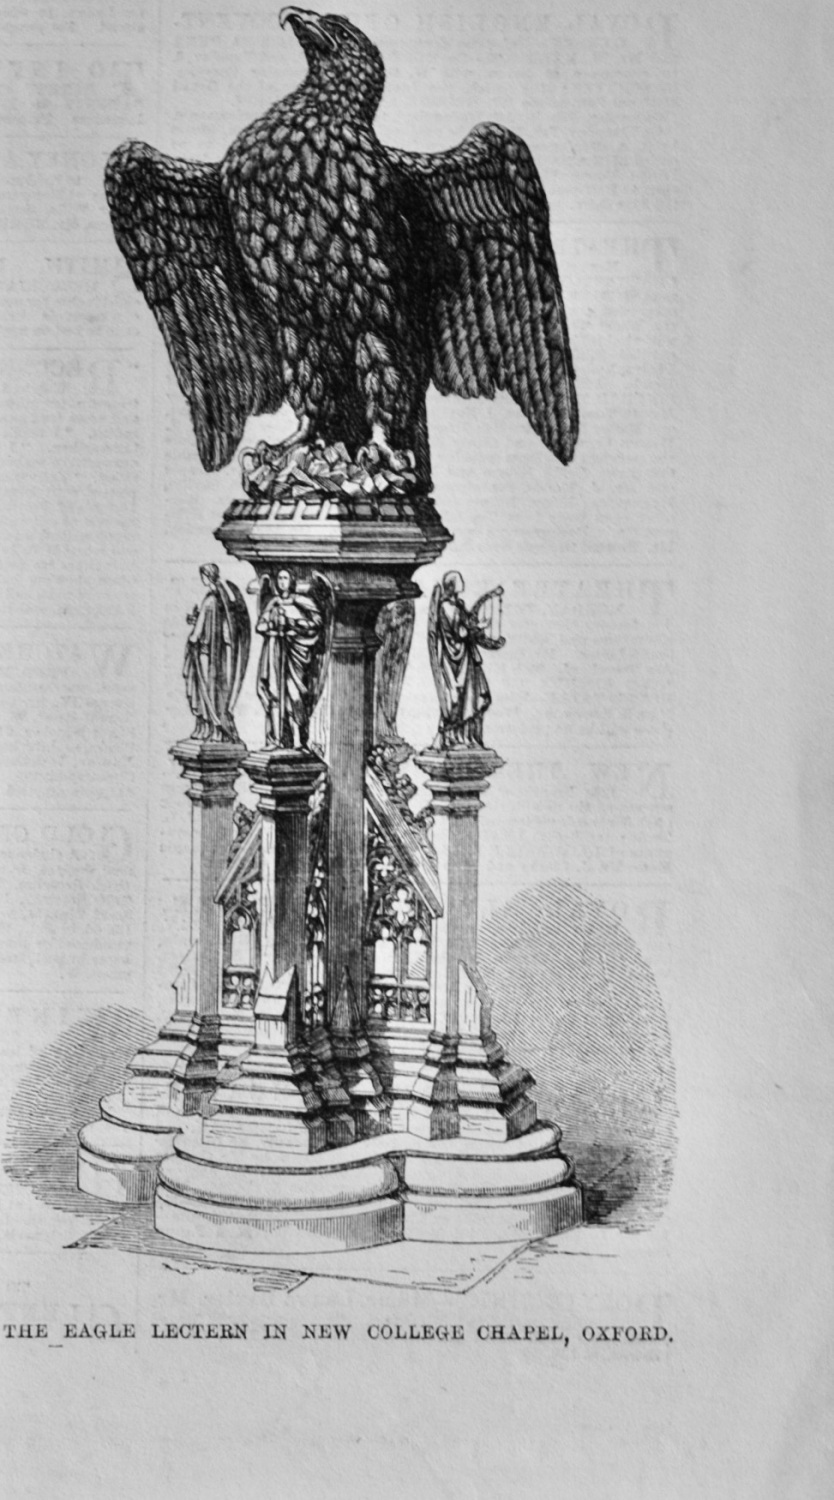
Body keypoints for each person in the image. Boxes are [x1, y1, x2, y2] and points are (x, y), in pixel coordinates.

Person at [429, 571, 504, 749]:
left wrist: (475, 627)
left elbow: (466, 626)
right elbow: (459, 633)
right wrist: (479, 627)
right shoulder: (446, 607)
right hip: (455, 661)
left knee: (472, 696)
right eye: (458, 582)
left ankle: (469, 738)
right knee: (458, 699)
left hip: (465, 658)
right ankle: (456, 739)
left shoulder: (457, 605)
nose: (461, 584)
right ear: (452, 586)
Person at [256, 568, 326, 748]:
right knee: (274, 692)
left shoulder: (301, 601)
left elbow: (317, 622)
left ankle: (298, 739)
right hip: (275, 650)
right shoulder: (273, 602)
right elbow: (260, 625)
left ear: (292, 581)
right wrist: (270, 626)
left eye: (285, 578)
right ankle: (277, 739)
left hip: (296, 651)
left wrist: (296, 624)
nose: (281, 582)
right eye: (279, 578)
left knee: (295, 695)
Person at [183, 564, 250, 742]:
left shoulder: (209, 600)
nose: (202, 578)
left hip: (205, 654)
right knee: (213, 690)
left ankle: (209, 728)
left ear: (207, 576)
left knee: (205, 689)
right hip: (218, 656)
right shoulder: (221, 600)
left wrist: (192, 639)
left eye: (203, 575)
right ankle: (212, 729)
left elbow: (197, 634)